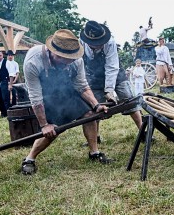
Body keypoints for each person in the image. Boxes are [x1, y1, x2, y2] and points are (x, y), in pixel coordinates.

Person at [21, 29, 112, 175]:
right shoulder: (33, 62)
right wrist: (44, 125)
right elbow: (36, 97)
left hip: (66, 89)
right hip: (45, 95)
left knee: (89, 114)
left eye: (71, 58)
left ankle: (94, 153)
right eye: (65, 58)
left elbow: (82, 86)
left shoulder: (76, 60)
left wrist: (96, 105)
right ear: (53, 52)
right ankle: (29, 159)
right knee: (54, 129)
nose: (69, 62)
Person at [80, 20, 143, 143]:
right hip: (94, 77)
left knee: (129, 100)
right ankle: (95, 137)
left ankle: (143, 131)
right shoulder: (81, 43)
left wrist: (109, 90)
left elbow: (112, 67)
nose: (98, 45)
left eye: (99, 42)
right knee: (94, 106)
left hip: (116, 74)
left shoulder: (110, 43)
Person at [0, 50, 16, 117]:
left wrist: (10, 84)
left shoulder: (7, 63)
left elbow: (11, 74)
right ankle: (3, 113)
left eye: (0, 56)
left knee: (5, 98)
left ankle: (8, 113)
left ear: (2, 55)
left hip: (4, 82)